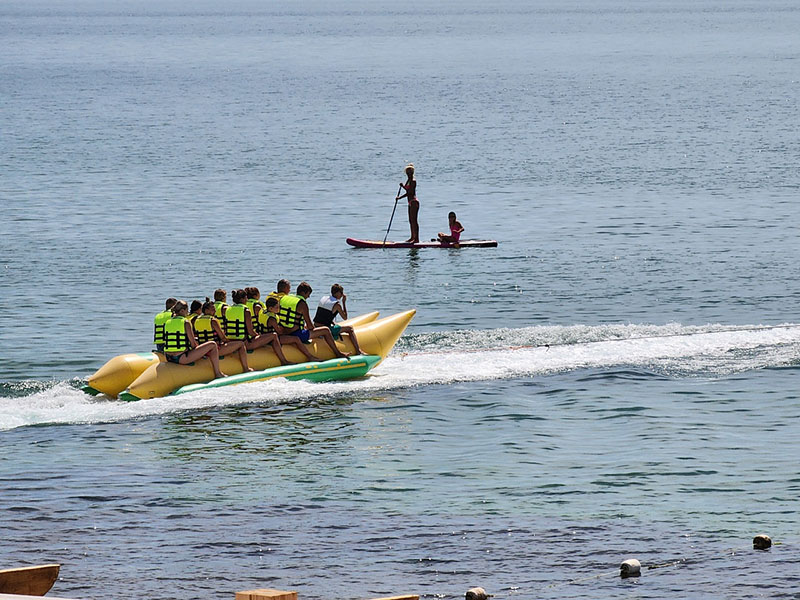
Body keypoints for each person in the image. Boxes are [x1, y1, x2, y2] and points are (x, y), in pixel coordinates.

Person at [279, 282, 350, 359]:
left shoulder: (285, 298)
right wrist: (315, 331)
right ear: (303, 293)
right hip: (297, 334)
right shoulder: (302, 304)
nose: (308, 297)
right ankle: (338, 353)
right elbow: (310, 326)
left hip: (284, 332)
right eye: (308, 294)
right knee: (325, 330)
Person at [224, 289, 295, 365]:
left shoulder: (227, 309)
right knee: (273, 335)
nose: (247, 300)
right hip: (245, 343)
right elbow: (251, 332)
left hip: (231, 342)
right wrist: (259, 336)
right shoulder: (245, 311)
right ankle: (284, 361)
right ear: (242, 299)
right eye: (246, 298)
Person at [162, 300, 227, 379]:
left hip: (168, 357)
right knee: (212, 344)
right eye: (186, 310)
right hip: (181, 358)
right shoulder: (185, 322)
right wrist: (202, 352)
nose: (188, 312)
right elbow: (193, 345)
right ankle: (218, 373)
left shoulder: (167, 322)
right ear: (182, 311)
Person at [194, 298, 253, 372]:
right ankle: (246, 368)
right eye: (212, 309)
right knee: (240, 344)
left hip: (203, 350)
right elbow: (223, 338)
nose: (215, 311)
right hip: (215, 350)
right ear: (206, 310)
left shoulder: (197, 320)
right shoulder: (213, 321)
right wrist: (230, 342)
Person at [259, 297, 321, 362]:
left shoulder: (263, 311)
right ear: (270, 308)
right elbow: (279, 332)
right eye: (277, 307)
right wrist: (288, 330)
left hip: (264, 336)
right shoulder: (272, 319)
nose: (279, 309)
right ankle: (310, 357)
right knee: (296, 339)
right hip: (270, 339)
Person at [313, 284, 363, 355]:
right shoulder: (337, 305)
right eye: (341, 293)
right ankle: (358, 351)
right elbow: (345, 317)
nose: (342, 295)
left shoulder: (324, 298)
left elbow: (324, 315)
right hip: (325, 329)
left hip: (316, 326)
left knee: (336, 325)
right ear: (337, 293)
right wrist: (344, 302)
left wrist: (332, 322)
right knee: (350, 329)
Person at [396, 163, 419, 243]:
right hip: (410, 202)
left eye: (409, 173)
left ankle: (416, 239)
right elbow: (407, 189)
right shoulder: (408, 180)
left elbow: (410, 193)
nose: (408, 174)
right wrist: (403, 186)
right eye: (407, 173)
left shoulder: (413, 181)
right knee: (410, 220)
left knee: (414, 220)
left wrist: (399, 198)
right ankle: (412, 237)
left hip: (414, 202)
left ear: (412, 173)